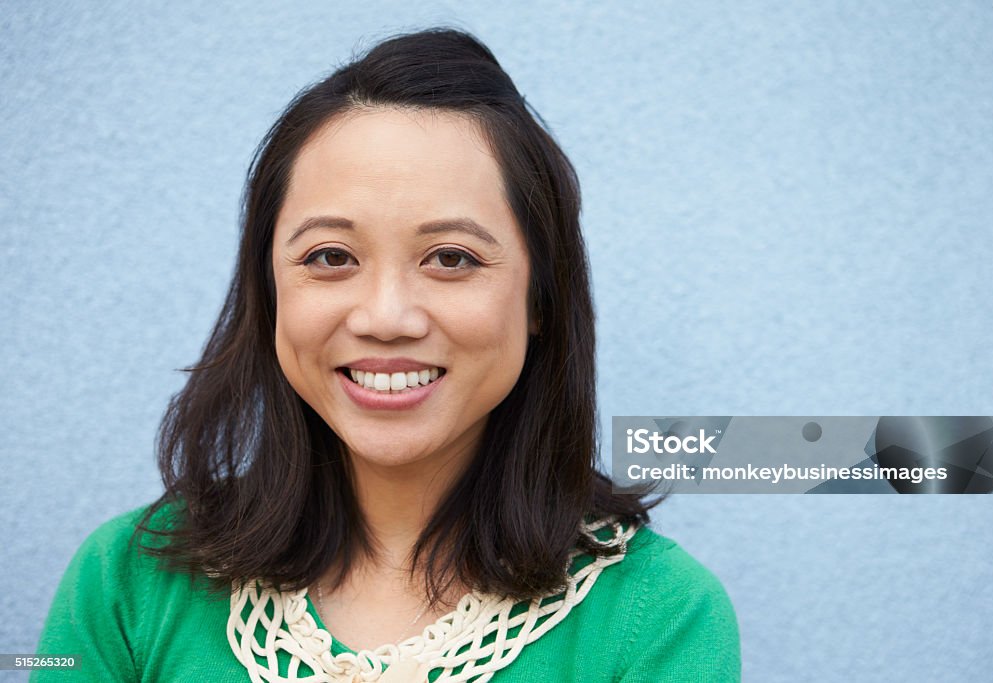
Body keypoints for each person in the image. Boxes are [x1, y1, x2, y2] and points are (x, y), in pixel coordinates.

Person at [34, 28, 740, 682]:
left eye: (452, 257)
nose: (385, 317)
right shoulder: (123, 581)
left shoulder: (662, 618)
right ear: (269, 289)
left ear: (539, 300)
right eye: (331, 255)